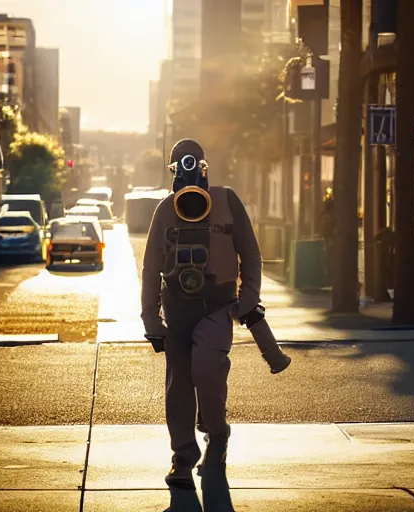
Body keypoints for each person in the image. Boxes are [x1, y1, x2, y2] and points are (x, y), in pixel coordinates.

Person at [141, 139, 262, 512]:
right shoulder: (164, 209)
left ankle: (218, 435)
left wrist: (248, 298)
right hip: (177, 309)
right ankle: (182, 458)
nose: (188, 174)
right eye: (180, 168)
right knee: (179, 383)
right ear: (174, 173)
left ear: (204, 169)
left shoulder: (227, 201)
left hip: (217, 306)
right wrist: (150, 317)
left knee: (206, 370)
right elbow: (150, 267)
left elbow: (251, 251)